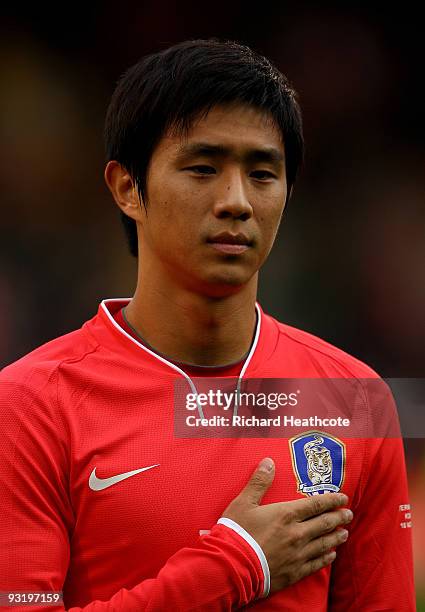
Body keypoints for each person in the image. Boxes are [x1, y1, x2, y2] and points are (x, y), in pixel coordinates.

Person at [0, 39, 414, 611]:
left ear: (288, 193)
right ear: (127, 187)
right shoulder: (30, 405)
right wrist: (236, 565)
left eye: (263, 173)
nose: (236, 201)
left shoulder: (354, 400)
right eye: (203, 167)